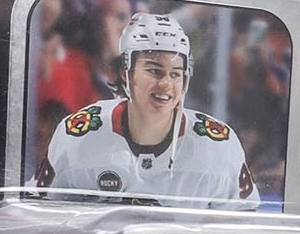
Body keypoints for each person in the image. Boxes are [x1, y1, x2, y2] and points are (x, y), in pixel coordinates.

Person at [32, 11, 260, 209]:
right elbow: (41, 213)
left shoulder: (218, 145)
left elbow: (241, 227)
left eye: (175, 74)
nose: (166, 84)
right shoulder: (78, 135)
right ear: (126, 73)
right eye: (154, 71)